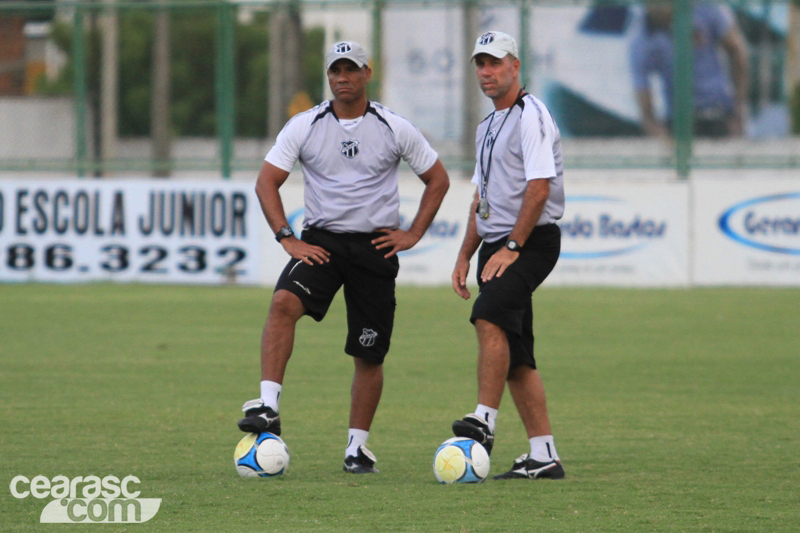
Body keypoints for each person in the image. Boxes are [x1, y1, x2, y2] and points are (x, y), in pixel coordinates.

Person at [238, 41, 450, 474]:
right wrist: (287, 238)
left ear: (367, 73)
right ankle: (268, 406)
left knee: (368, 354)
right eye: (336, 69)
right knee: (282, 303)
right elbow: (266, 182)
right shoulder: (305, 125)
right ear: (329, 75)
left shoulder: (393, 126)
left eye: (351, 69)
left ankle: (357, 448)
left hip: (375, 247)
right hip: (323, 244)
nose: (342, 77)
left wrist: (412, 233)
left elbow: (438, 179)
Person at [451, 31, 566, 480]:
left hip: (531, 240)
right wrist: (465, 255)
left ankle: (484, 419)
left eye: (495, 62)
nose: (486, 71)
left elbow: (539, 188)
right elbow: (482, 198)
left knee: (489, 315)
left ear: (515, 66)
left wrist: (514, 247)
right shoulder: (487, 125)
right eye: (480, 63)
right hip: (497, 242)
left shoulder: (530, 115)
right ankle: (544, 455)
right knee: (516, 357)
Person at [629, 3, 749, 138]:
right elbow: (645, 110)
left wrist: (739, 109)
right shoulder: (641, 39)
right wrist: (664, 139)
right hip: (678, 121)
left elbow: (737, 49)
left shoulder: (706, 8)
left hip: (720, 113)